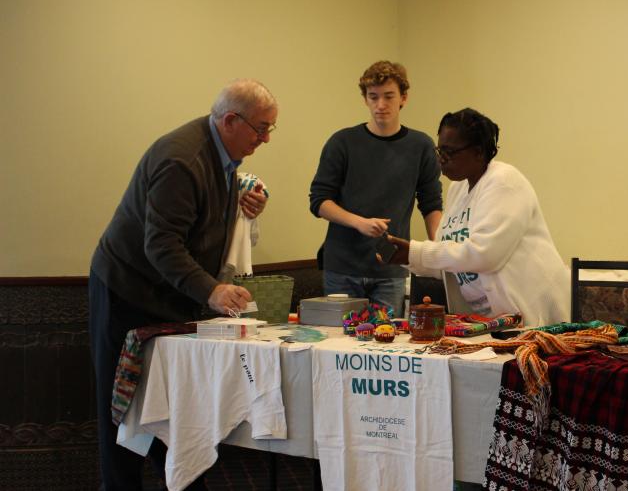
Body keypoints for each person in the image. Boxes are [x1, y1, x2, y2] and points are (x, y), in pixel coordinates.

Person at [89, 78, 276, 489]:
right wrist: (212, 291)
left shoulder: (221, 153)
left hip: (169, 295)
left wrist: (242, 199)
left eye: (269, 129)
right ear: (230, 120)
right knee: (122, 416)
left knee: (169, 408)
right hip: (126, 290)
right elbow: (162, 245)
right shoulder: (182, 159)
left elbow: (199, 220)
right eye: (261, 129)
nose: (265, 139)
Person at [385, 108, 570, 327]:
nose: (441, 160)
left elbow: (484, 255)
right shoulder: (457, 188)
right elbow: (452, 260)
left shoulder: (504, 181)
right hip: (491, 320)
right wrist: (408, 257)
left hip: (535, 314)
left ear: (479, 152)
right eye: (439, 150)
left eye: (450, 152)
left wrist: (418, 251)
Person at [309, 60, 442, 314]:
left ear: (403, 98)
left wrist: (442, 250)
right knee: (340, 344)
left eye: (389, 97)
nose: (381, 105)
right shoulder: (342, 142)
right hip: (342, 267)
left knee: (386, 342)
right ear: (365, 100)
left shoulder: (421, 145)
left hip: (391, 267)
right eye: (374, 97)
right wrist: (359, 222)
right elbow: (319, 201)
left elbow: (431, 203)